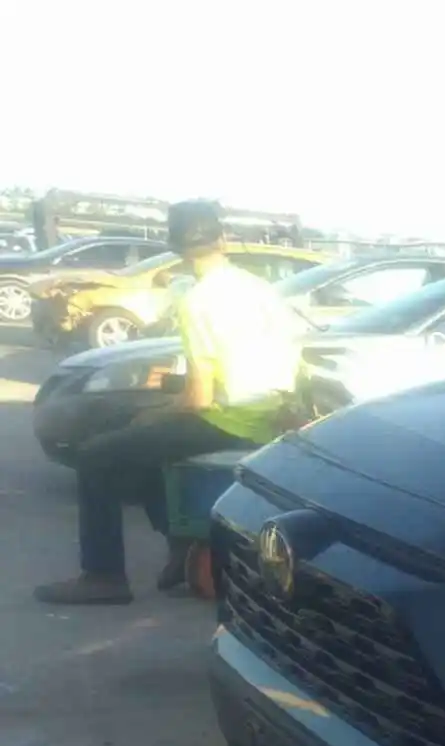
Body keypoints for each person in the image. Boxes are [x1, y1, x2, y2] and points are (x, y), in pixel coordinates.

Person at [33, 199, 303, 606]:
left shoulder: (196, 301)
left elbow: (197, 398)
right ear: (224, 239)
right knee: (132, 430)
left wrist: (153, 413)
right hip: (267, 411)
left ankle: (103, 575)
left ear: (172, 245)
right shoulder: (257, 289)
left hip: (228, 419)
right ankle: (180, 546)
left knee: (95, 455)